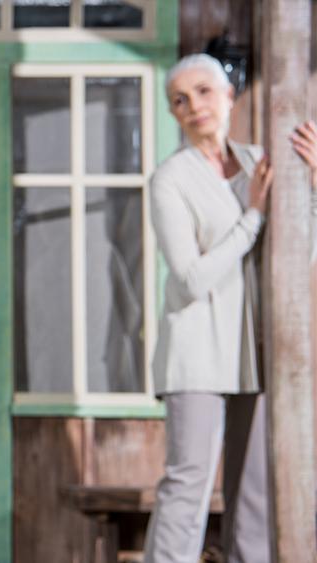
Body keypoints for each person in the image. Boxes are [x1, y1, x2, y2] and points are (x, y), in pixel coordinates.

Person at [145, 53, 317, 563]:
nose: (193, 105)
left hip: (255, 354)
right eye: (179, 99)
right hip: (196, 354)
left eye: (202, 91)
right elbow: (191, 277)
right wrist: (253, 217)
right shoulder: (169, 180)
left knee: (255, 494)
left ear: (227, 95)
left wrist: (312, 183)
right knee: (188, 489)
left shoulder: (263, 162)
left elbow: (301, 250)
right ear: (173, 113)